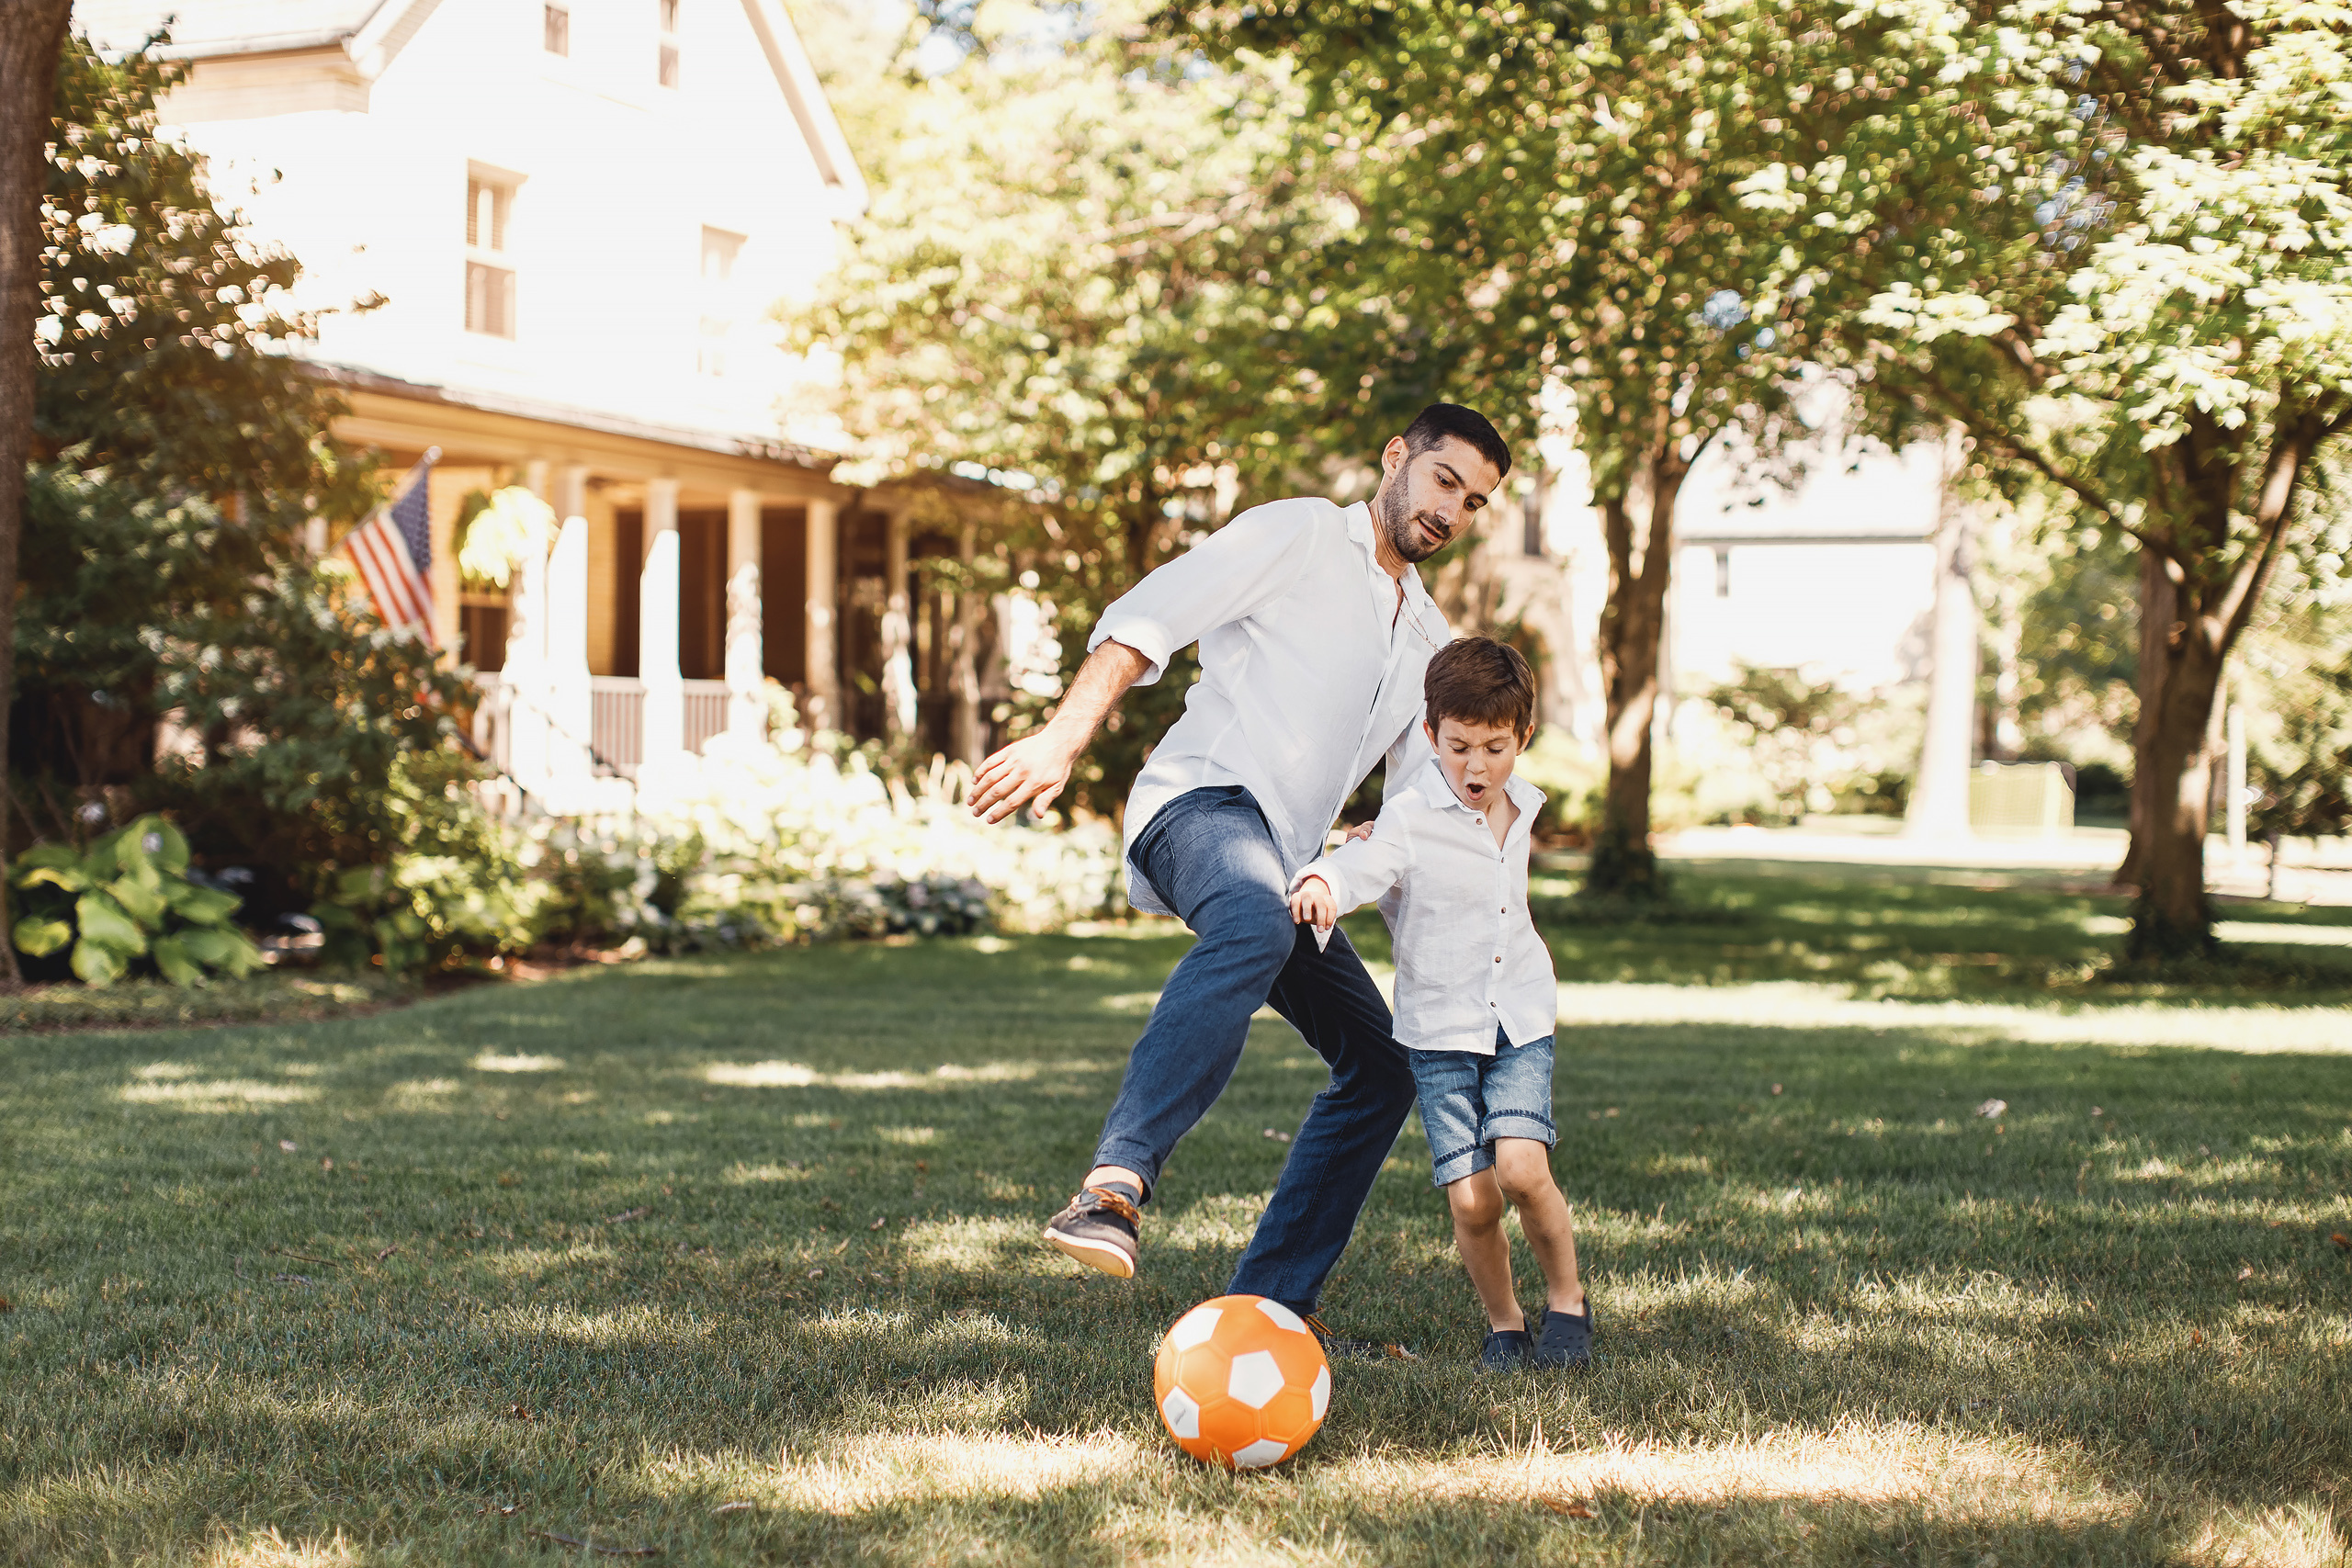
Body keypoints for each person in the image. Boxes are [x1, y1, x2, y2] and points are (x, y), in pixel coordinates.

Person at [967, 404, 1510, 1349]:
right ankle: (1112, 1188)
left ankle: (1267, 1313)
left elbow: (1429, 810)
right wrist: (1063, 736)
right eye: (1443, 482)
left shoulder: (1429, 638)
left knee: (1382, 1068)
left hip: (1285, 869)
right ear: (1397, 458)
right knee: (1257, 921)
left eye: (1473, 502)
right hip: (1199, 808)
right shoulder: (1299, 532)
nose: (1451, 512)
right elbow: (1151, 615)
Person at [1286, 637, 1592, 1371]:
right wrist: (1327, 880)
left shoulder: (1522, 804)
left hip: (1518, 1012)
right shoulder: (1411, 814)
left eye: (1494, 746)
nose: (1476, 767)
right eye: (1458, 747)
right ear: (1430, 736)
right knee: (1473, 1200)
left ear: (1523, 736)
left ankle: (1569, 1304)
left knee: (1521, 1169)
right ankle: (1505, 1324)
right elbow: (1367, 860)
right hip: (1439, 1030)